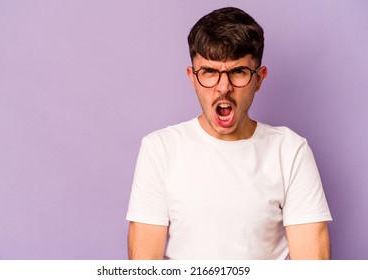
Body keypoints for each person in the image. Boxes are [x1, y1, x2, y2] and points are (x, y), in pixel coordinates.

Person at [126, 6, 332, 260]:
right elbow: (144, 267)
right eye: (210, 72)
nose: (224, 88)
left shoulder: (290, 150)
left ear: (259, 78)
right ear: (192, 77)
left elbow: (313, 269)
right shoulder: (160, 149)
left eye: (238, 72)